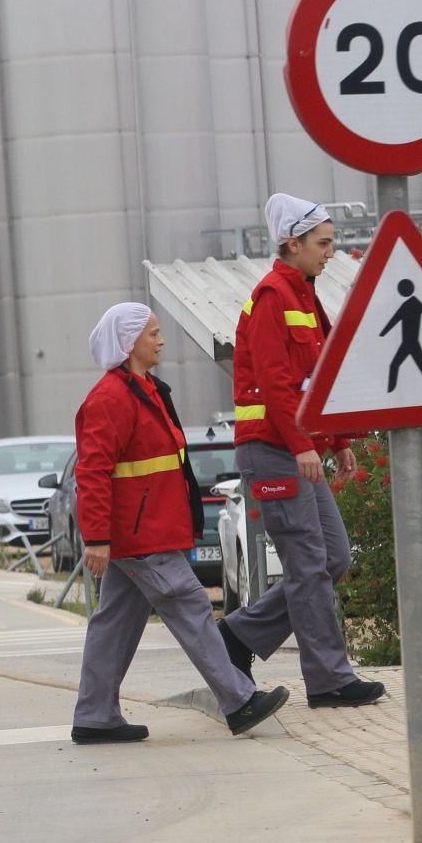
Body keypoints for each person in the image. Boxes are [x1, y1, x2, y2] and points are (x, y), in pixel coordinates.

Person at [70, 307, 290, 743]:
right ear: (129, 343)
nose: (162, 340)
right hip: (140, 535)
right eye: (153, 333)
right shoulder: (110, 399)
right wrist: (95, 537)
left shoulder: (144, 391)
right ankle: (239, 700)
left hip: (146, 530)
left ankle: (95, 716)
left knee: (114, 622)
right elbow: (92, 473)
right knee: (191, 605)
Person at [219, 195, 387, 709]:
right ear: (292, 243)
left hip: (296, 450)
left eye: (332, 242)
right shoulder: (272, 296)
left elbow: (318, 380)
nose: (331, 251)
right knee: (310, 565)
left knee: (331, 557)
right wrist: (303, 446)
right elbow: (275, 384)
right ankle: (330, 681)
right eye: (323, 242)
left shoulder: (304, 295)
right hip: (272, 451)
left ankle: (240, 635)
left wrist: (336, 441)